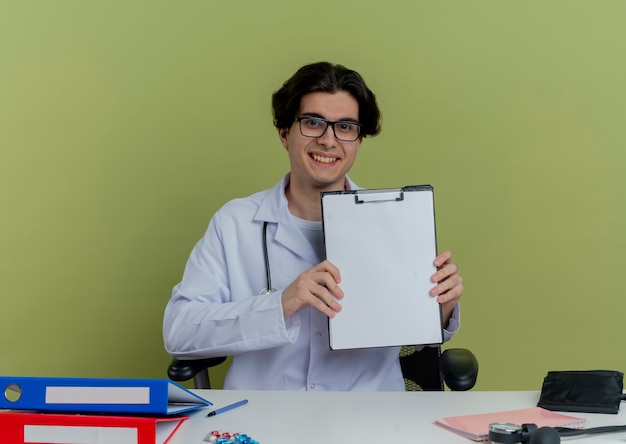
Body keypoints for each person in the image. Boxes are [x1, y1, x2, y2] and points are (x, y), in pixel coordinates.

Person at [163, 61, 464, 391]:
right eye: (313, 122)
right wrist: (280, 304)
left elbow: (418, 337)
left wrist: (441, 307)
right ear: (284, 133)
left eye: (346, 127)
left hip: (370, 419)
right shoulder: (234, 224)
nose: (328, 140)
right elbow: (179, 332)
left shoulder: (397, 220)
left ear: (358, 142)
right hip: (263, 422)